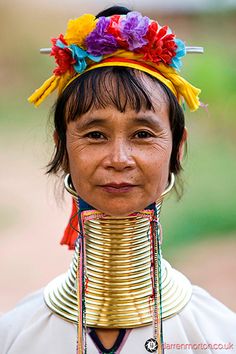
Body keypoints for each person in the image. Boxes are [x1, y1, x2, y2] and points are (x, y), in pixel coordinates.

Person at [0, 5, 235, 354]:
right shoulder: (15, 337)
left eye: (142, 134)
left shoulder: (218, 335)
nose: (119, 159)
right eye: (95, 135)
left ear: (177, 150)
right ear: (63, 148)